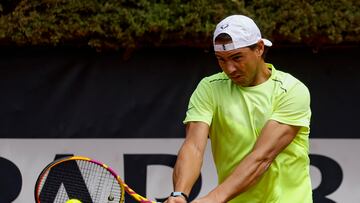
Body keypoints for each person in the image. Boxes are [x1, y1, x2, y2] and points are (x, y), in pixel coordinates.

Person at [165, 14, 312, 203]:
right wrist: (180, 193)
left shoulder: (292, 90)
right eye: (221, 59)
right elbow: (194, 146)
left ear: (259, 48)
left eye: (237, 57)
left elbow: (262, 158)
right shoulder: (209, 88)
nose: (230, 68)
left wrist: (213, 199)